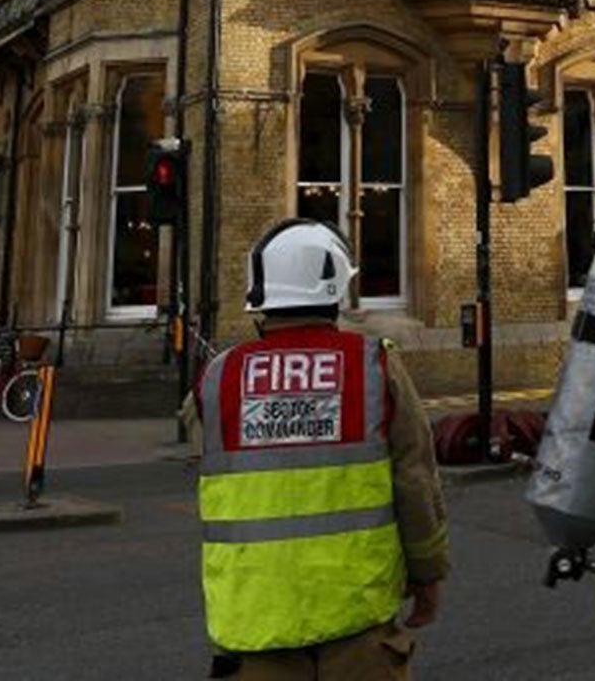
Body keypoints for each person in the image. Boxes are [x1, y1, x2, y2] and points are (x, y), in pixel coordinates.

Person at [192, 220, 449, 678]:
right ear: (335, 293)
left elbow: (206, 450)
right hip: (358, 621)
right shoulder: (375, 366)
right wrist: (427, 574)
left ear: (260, 298)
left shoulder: (216, 378)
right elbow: (415, 480)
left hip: (253, 627)